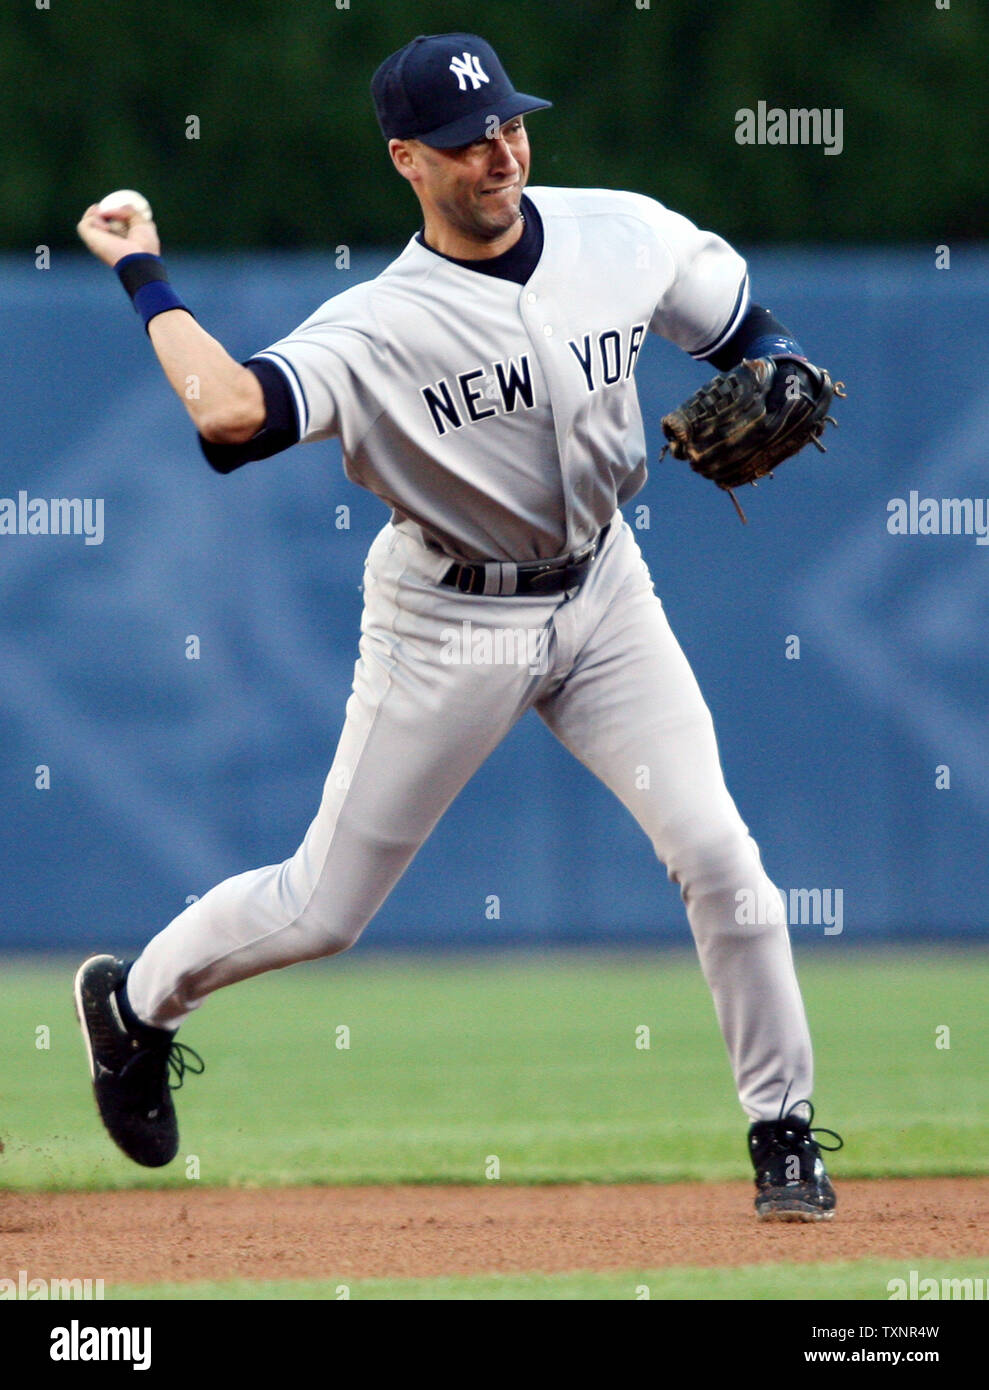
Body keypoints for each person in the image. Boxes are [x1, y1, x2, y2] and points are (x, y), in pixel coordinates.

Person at [74, 32, 841, 1219]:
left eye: (509, 125)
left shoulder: (616, 231)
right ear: (406, 161)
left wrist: (781, 361)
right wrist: (144, 270)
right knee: (320, 908)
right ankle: (133, 1009)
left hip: (604, 593)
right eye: (465, 140)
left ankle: (782, 1132)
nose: (499, 151)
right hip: (445, 619)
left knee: (718, 853)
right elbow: (230, 414)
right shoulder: (378, 324)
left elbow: (743, 325)